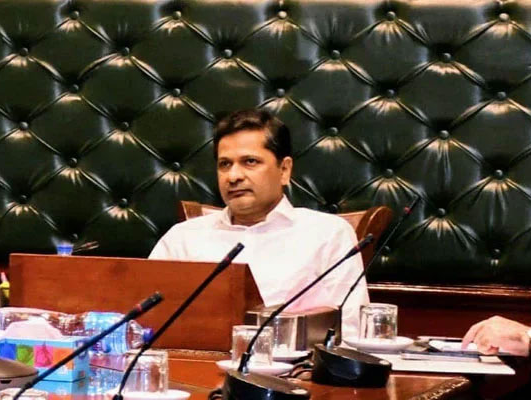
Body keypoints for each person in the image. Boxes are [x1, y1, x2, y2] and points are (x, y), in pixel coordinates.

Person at [149, 109, 369, 339]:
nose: (233, 176)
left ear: (284, 170)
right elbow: (145, 321)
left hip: (292, 371)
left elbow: (351, 331)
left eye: (250, 162)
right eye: (225, 164)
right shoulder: (182, 239)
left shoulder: (327, 235)